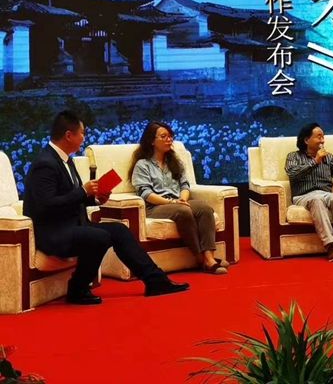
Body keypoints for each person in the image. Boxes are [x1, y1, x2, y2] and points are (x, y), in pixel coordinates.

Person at [22, 111, 190, 305]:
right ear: (68, 135)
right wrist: (83, 192)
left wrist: (95, 199)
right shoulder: (46, 164)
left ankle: (155, 281)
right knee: (99, 237)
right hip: (53, 232)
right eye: (82, 133)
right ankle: (78, 288)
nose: (84, 138)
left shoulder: (66, 160)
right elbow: (46, 205)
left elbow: (70, 199)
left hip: (72, 226)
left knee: (119, 230)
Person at [129, 121, 228, 275]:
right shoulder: (143, 165)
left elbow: (185, 185)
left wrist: (182, 199)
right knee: (183, 211)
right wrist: (172, 202)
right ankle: (200, 258)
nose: (169, 140)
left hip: (178, 201)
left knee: (204, 209)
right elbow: (146, 193)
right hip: (155, 206)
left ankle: (209, 257)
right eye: (164, 136)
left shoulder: (175, 162)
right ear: (152, 141)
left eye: (170, 136)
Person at [285, 123, 333, 262]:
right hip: (304, 195)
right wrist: (315, 161)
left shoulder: (328, 158)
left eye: (323, 137)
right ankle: (331, 247)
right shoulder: (293, 157)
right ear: (306, 140)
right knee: (317, 200)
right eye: (318, 137)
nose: (322, 141)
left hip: (326, 194)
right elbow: (292, 173)